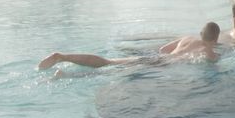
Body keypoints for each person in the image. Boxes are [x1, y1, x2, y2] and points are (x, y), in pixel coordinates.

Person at [38, 22, 221, 70]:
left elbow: (162, 49)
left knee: (110, 64)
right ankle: (62, 58)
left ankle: (64, 63)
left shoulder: (187, 38)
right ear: (215, 39)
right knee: (108, 66)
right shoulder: (208, 51)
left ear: (201, 34)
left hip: (159, 59)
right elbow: (212, 62)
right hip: (159, 65)